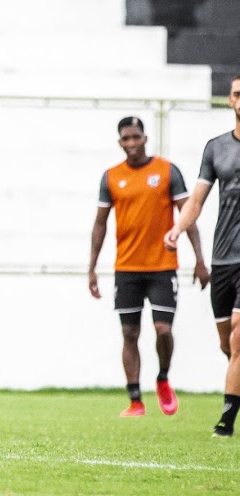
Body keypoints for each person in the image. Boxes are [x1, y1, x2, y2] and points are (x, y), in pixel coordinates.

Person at [89, 116, 209, 418]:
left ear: (145, 138)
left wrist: (199, 260)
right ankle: (135, 400)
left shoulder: (167, 171)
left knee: (163, 329)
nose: (131, 144)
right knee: (129, 332)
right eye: (126, 139)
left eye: (136, 137)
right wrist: (91, 268)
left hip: (162, 266)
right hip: (126, 268)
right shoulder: (111, 177)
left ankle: (163, 378)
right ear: (120, 142)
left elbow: (188, 217)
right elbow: (100, 225)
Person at [165, 74, 240, 438]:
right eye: (238, 95)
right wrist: (178, 228)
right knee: (226, 344)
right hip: (223, 258)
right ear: (229, 101)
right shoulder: (216, 148)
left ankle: (226, 421)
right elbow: (196, 199)